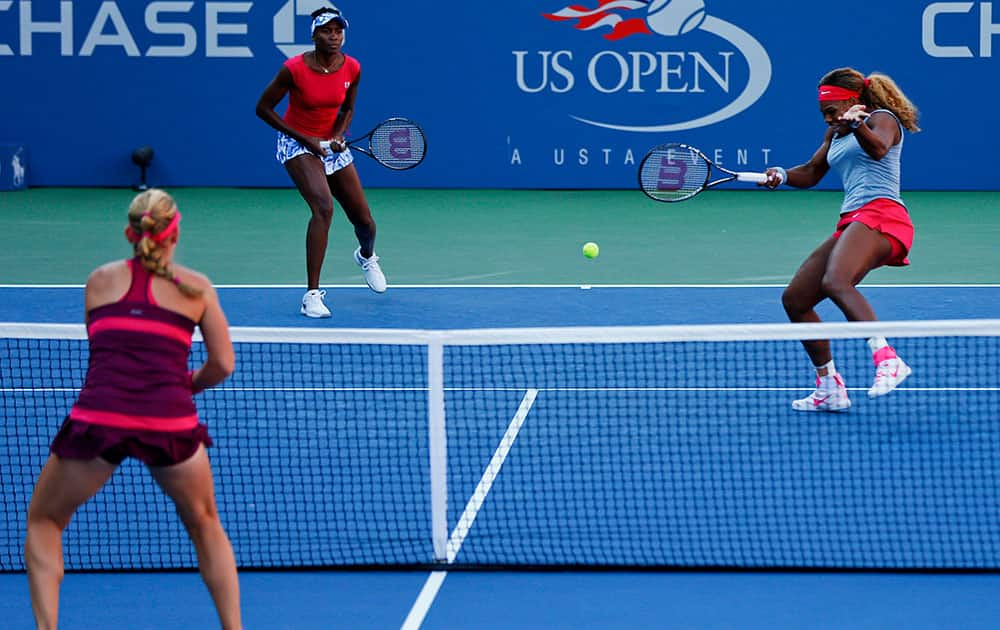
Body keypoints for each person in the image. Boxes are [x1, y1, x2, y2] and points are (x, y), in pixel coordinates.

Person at [24, 189, 241, 629]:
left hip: (98, 422)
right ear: (174, 233)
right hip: (171, 422)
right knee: (205, 524)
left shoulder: (98, 282)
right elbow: (222, 364)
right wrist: (181, 388)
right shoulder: (197, 288)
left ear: (130, 232)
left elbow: (110, 355)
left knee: (45, 521)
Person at [763, 67, 921, 412]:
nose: (828, 118)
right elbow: (810, 173)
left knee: (837, 280)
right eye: (824, 113)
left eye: (832, 110)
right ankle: (829, 387)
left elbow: (878, 148)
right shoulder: (835, 133)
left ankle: (887, 358)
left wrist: (854, 124)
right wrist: (781, 174)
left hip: (883, 216)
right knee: (796, 299)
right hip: (853, 222)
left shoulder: (882, 119)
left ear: (853, 100)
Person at [255, 5, 386, 318]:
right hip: (297, 144)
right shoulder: (294, 69)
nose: (334, 36)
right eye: (327, 30)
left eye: (338, 30)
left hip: (331, 145)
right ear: (314, 35)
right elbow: (263, 109)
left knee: (365, 221)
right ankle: (311, 295)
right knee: (323, 208)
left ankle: (366, 256)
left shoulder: (352, 67)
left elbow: (347, 110)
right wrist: (304, 139)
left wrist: (340, 134)